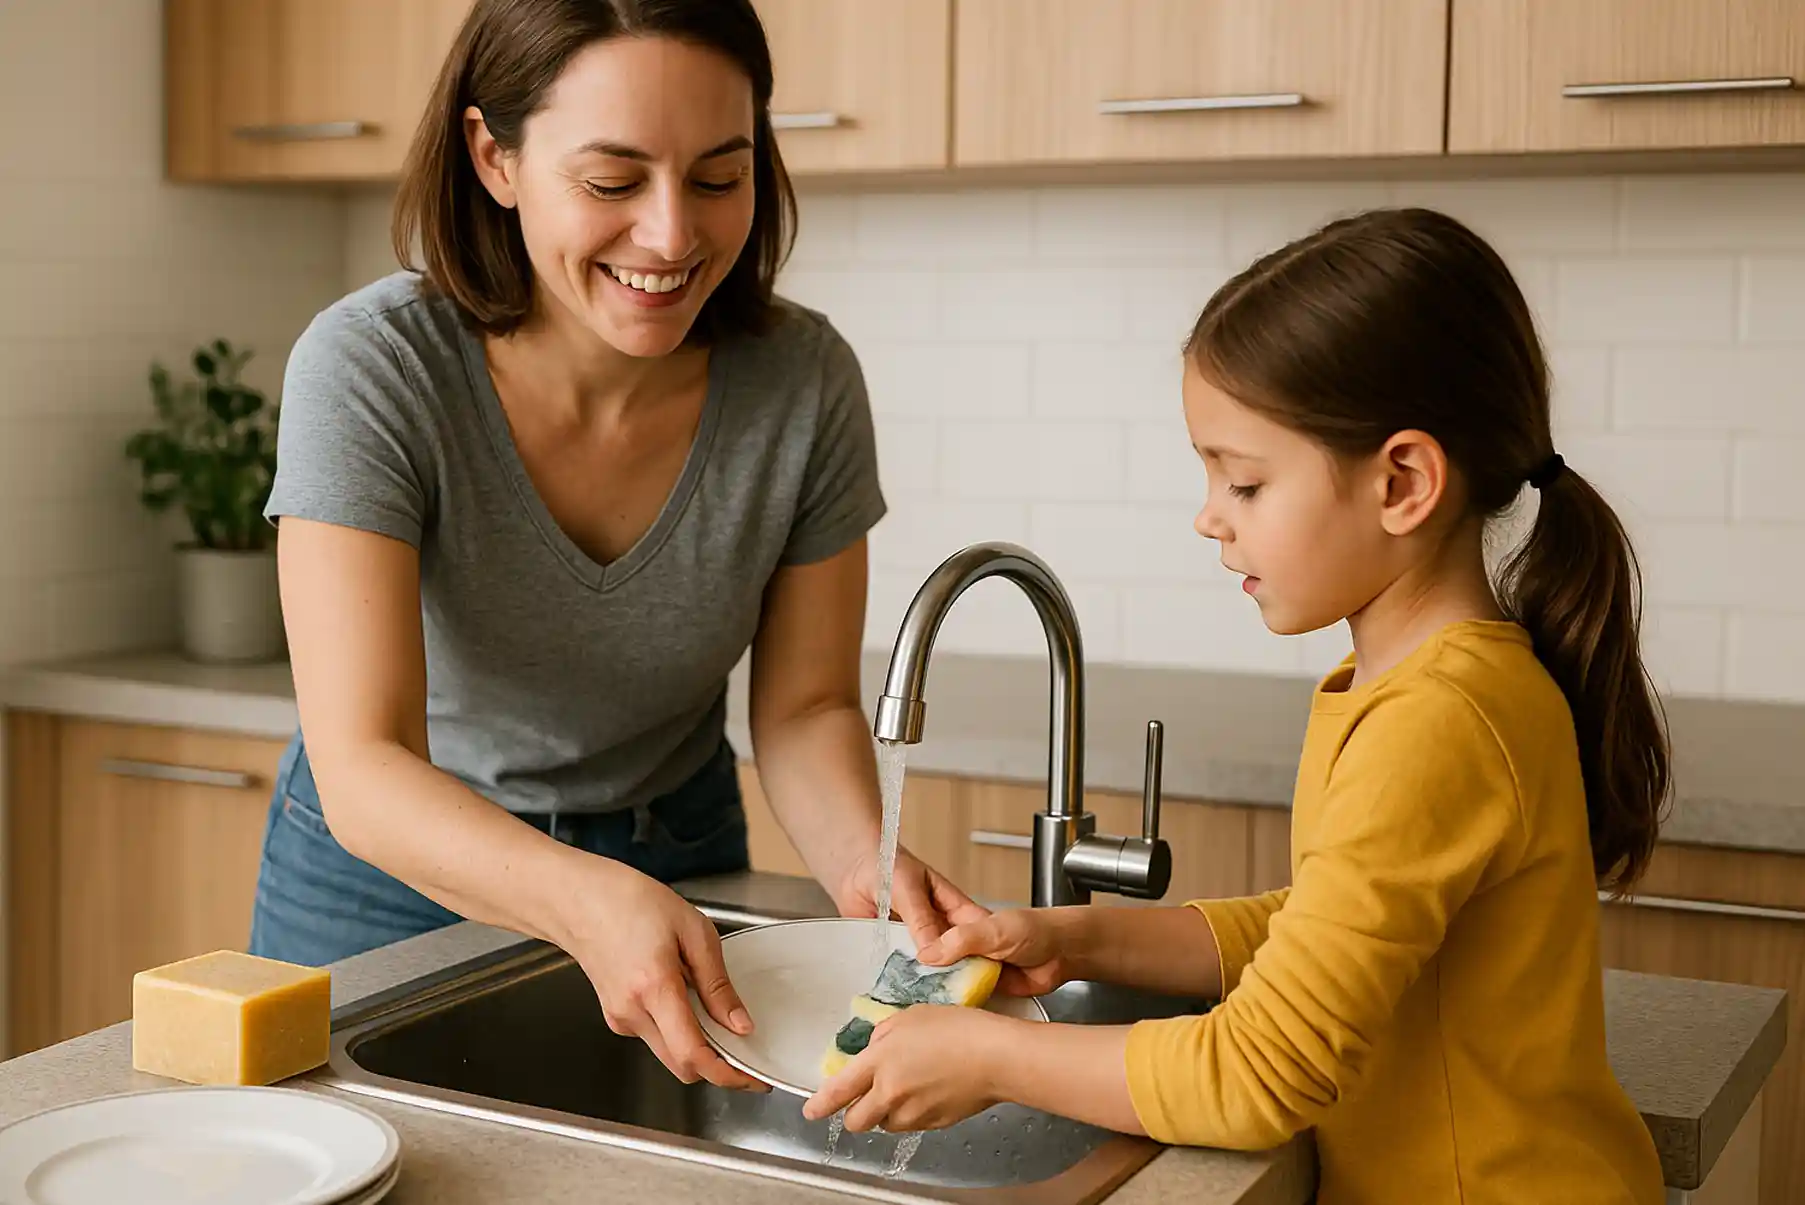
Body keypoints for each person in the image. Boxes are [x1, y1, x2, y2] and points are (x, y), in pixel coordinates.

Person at [803, 207, 1670, 1205]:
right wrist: (1065, 937)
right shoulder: (1422, 687)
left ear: (1402, 482)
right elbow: (1317, 925)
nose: (1208, 513)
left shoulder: (1438, 720)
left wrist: (990, 1056)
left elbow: (1261, 1072)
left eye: (1243, 480)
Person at [250, 0, 982, 1094]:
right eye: (611, 182)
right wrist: (589, 893)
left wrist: (865, 870)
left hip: (673, 849)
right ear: (494, 155)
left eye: (719, 176)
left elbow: (803, 708)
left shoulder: (803, 383)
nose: (672, 235)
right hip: (384, 878)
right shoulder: (373, 369)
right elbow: (364, 765)